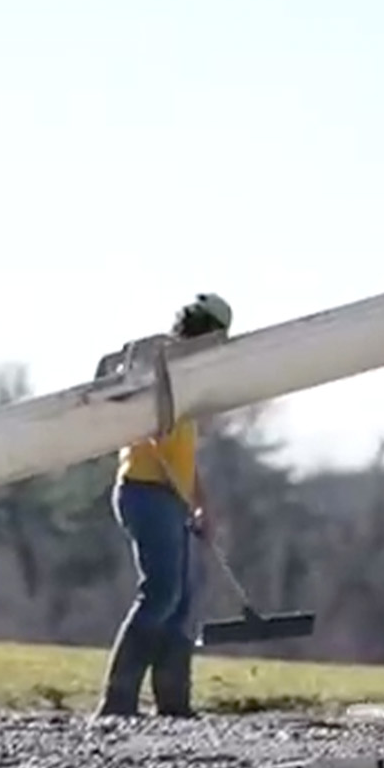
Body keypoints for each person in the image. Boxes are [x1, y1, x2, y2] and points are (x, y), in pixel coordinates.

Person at [92, 291, 233, 720]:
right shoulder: (159, 366)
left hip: (169, 497)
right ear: (204, 331)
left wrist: (202, 505)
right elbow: (155, 442)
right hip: (144, 492)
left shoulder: (187, 378)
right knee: (161, 594)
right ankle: (117, 702)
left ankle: (174, 704)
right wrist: (186, 501)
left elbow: (185, 461)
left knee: (180, 601)